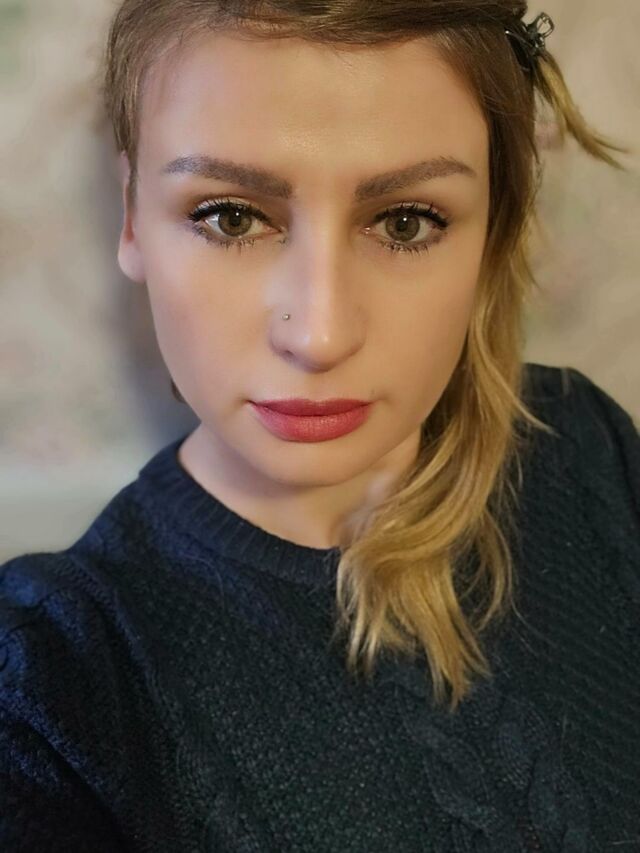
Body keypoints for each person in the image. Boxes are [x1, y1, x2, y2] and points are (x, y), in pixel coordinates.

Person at [1, 1, 639, 850]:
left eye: (406, 222)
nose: (320, 334)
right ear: (131, 216)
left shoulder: (582, 446)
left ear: (493, 228)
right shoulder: (53, 680)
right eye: (230, 216)